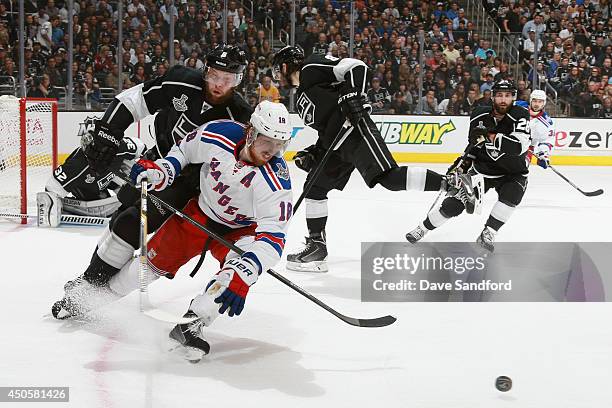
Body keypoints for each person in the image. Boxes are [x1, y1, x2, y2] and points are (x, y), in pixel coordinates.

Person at [53, 101, 293, 361]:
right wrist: (161, 170)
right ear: (251, 133)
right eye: (267, 142)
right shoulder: (220, 133)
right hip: (198, 215)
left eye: (280, 145)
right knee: (143, 271)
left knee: (235, 276)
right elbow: (184, 152)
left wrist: (248, 273)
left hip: (240, 231)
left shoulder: (276, 179)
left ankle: (192, 323)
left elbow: (273, 236)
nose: (272, 151)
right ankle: (87, 302)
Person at [271, 46, 477, 272]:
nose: (277, 78)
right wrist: (314, 152)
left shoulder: (311, 67)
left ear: (284, 66)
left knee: (389, 179)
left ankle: (452, 184)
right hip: (337, 144)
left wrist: (352, 95)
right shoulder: (301, 94)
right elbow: (327, 127)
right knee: (314, 189)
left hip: (356, 129)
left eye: (276, 72)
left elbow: (355, 67)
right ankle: (317, 248)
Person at [39, 44, 252, 227]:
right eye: (214, 75)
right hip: (153, 161)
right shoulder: (182, 81)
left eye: (228, 79)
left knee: (129, 219)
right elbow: (135, 100)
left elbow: (237, 171)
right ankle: (58, 189)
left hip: (185, 184)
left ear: (238, 80)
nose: (218, 84)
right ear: (205, 71)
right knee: (104, 141)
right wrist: (109, 131)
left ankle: (117, 201)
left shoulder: (240, 117)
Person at [405, 80, 531, 252]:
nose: (503, 100)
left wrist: (490, 136)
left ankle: (489, 232)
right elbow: (474, 145)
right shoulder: (479, 114)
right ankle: (423, 228)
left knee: (512, 196)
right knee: (453, 205)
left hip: (513, 172)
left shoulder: (521, 114)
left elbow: (518, 147)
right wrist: (463, 163)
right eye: (500, 95)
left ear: (513, 98)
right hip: (483, 170)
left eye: (507, 96)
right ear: (492, 96)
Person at [516, 90, 555, 170]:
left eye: (540, 102)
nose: (537, 104)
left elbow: (547, 141)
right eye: (534, 101)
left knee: (520, 171)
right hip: (506, 143)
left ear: (544, 103)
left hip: (526, 150)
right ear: (530, 100)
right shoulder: (517, 106)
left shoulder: (546, 122)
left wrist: (543, 154)